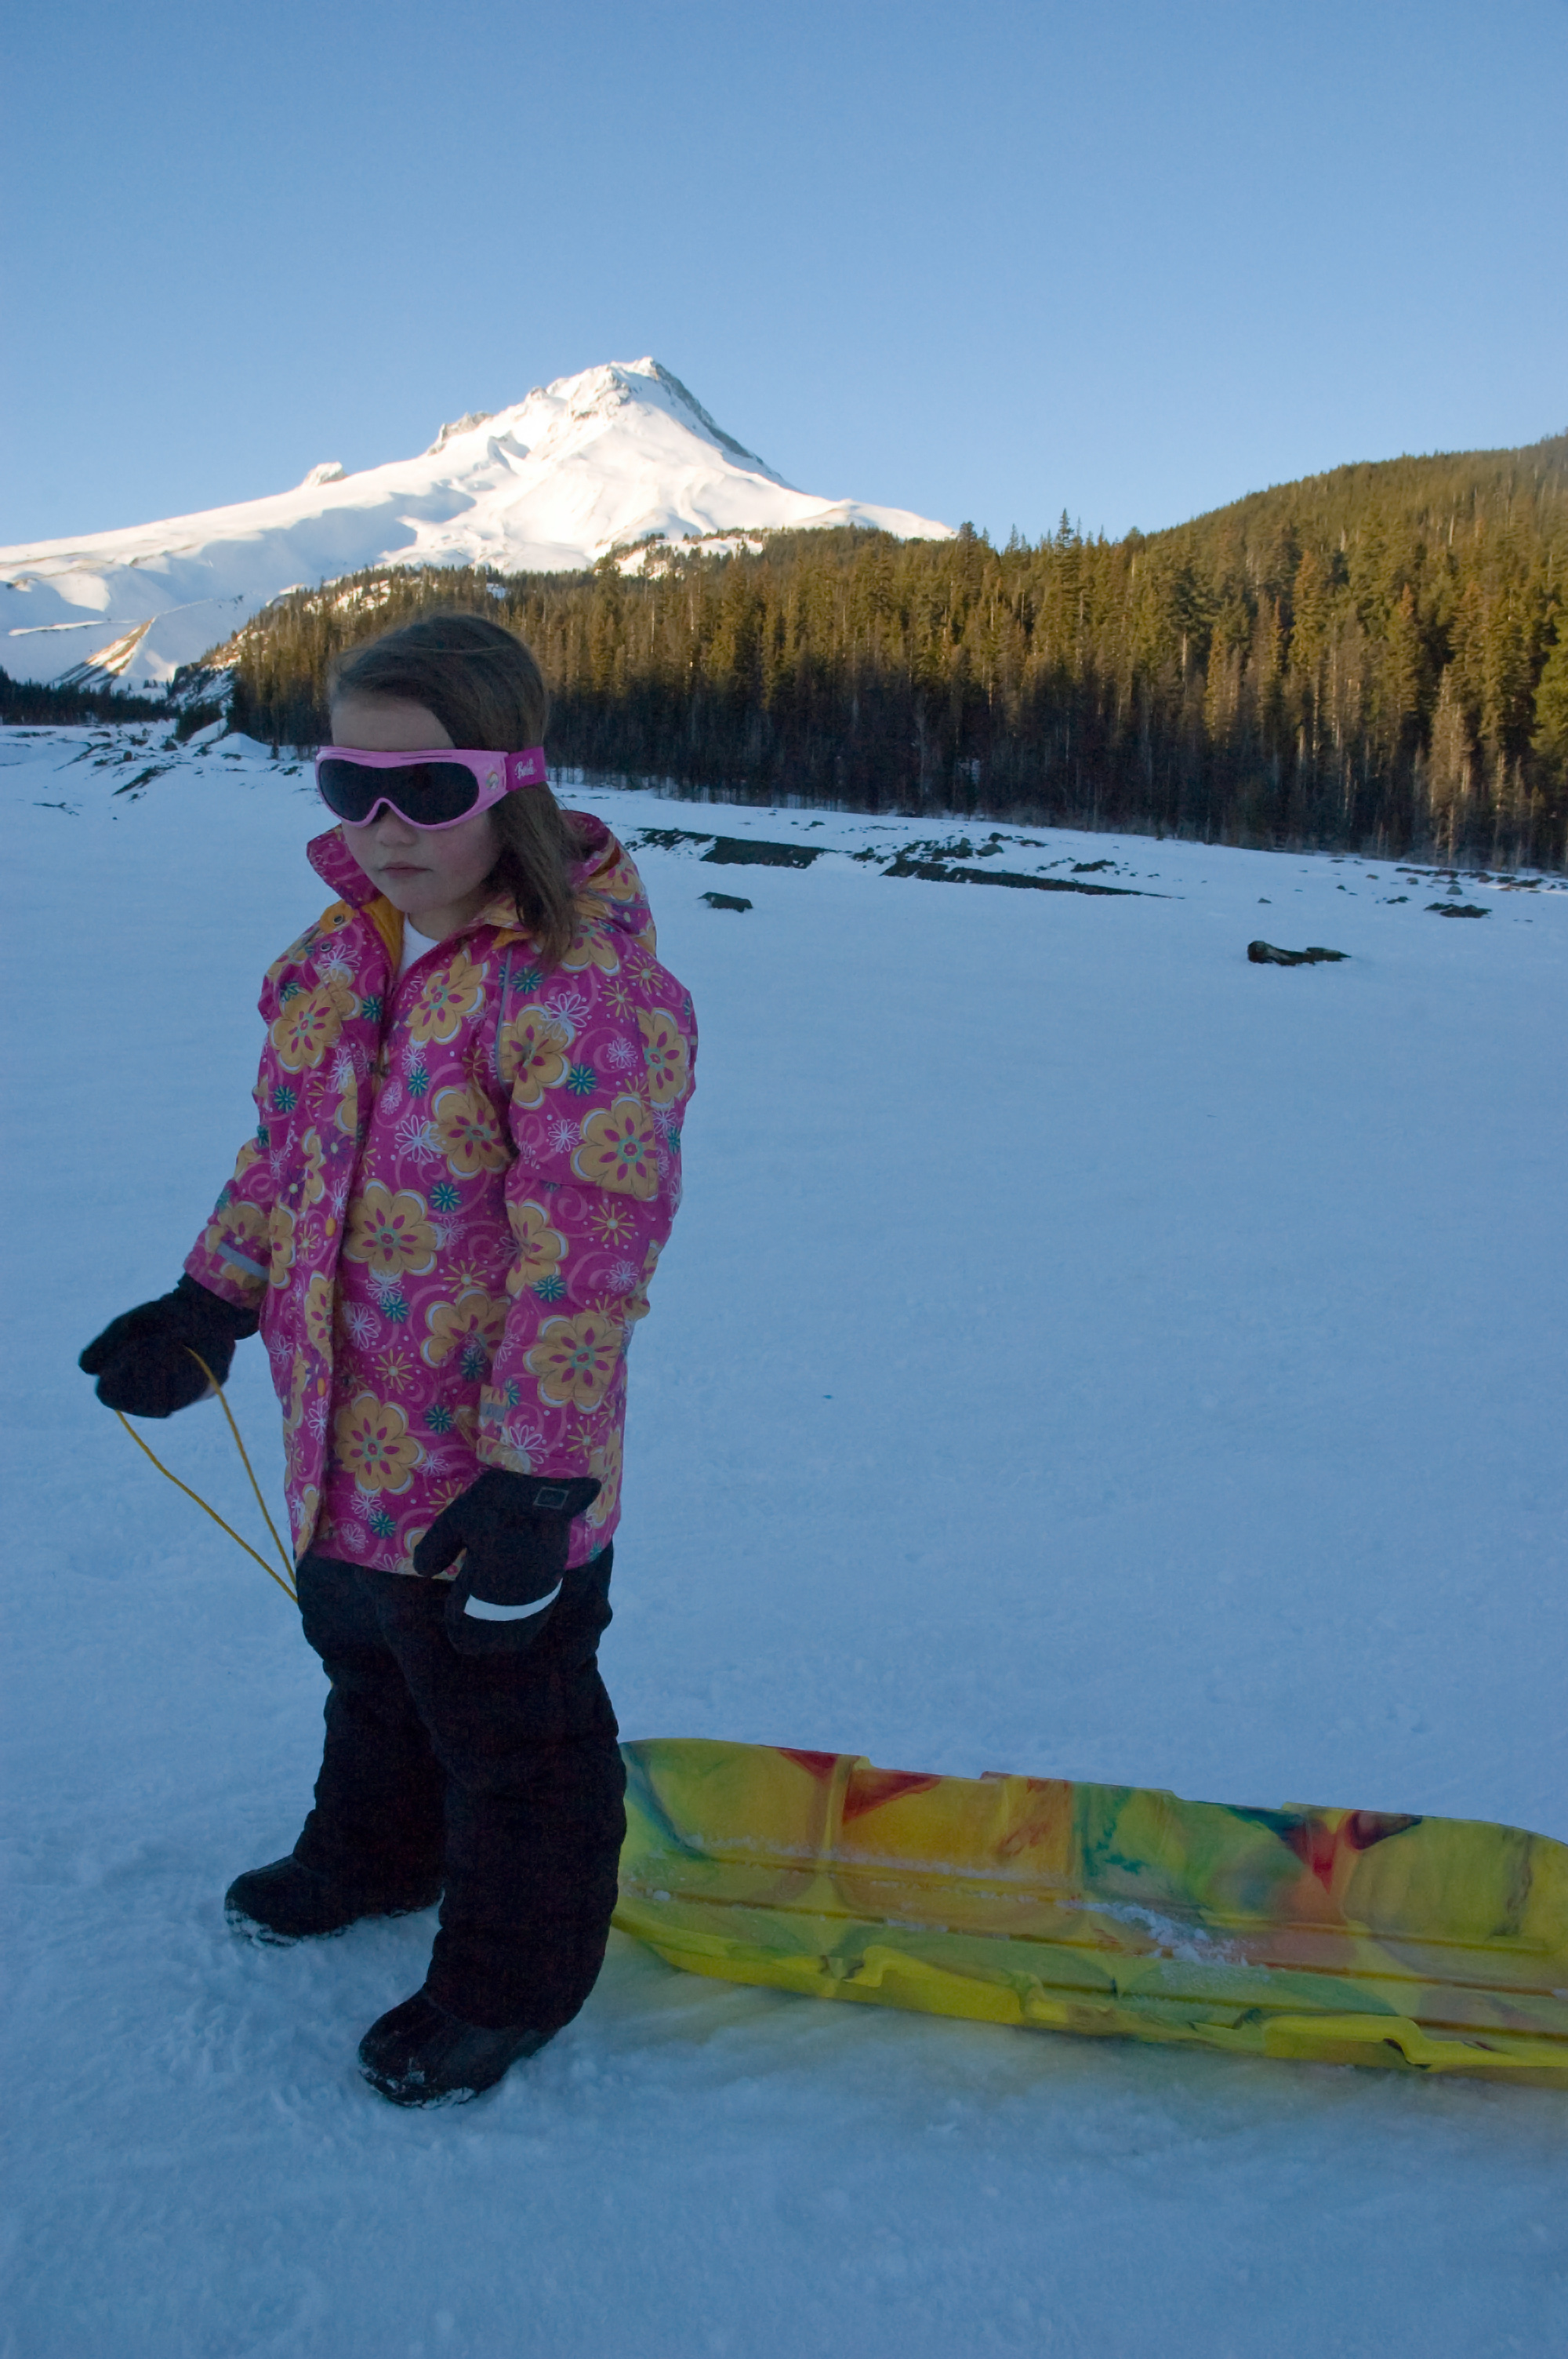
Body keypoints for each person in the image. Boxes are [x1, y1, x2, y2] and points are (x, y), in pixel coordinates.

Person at [78, 612, 696, 2106]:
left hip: (494, 1476)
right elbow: (285, 1157)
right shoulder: (338, 958)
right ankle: (376, 1850)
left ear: (515, 782)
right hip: (335, 1440)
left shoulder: (580, 993)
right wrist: (210, 1300)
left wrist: (537, 1481)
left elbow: (589, 1256)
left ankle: (509, 1980)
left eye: (427, 790)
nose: (383, 826)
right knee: (366, 1663)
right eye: (348, 785)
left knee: (513, 1727)